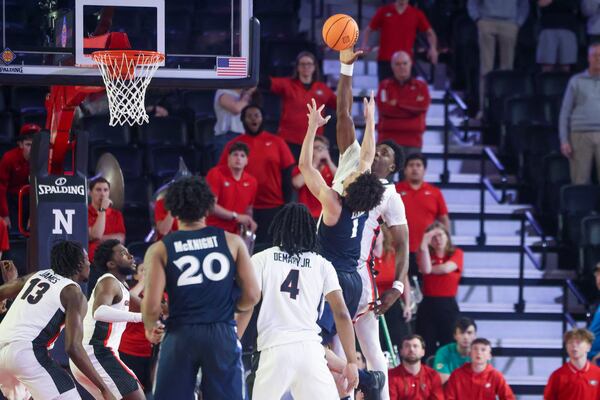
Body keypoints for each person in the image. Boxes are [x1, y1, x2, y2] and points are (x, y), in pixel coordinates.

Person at [141, 176, 260, 400]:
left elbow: (152, 305)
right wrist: (229, 310)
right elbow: (253, 295)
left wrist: (150, 326)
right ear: (207, 208)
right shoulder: (233, 242)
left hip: (180, 333)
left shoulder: (160, 249)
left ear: (174, 211)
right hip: (221, 331)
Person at [249, 203, 358, 399]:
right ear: (310, 230)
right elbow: (341, 313)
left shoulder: (261, 259)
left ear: (279, 227)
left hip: (274, 349)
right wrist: (351, 361)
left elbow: (246, 300)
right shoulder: (323, 265)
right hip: (310, 351)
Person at [0, 241, 116, 400]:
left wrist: (5, 295)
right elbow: (73, 348)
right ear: (80, 263)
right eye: (87, 259)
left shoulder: (38, 275)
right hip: (26, 353)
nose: (90, 263)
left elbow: (3, 292)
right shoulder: (73, 293)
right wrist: (104, 388)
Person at [354, 139, 410, 400]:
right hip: (331, 269)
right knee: (335, 346)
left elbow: (402, 245)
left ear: (393, 165)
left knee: (372, 349)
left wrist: (397, 288)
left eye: (384, 153)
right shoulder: (352, 178)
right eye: (375, 151)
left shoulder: (391, 196)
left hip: (360, 275)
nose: (377, 155)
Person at [71, 240, 159, 400]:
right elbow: (99, 311)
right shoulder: (109, 281)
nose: (130, 256)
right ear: (111, 263)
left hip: (98, 354)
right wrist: (139, 317)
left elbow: (150, 310)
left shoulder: (121, 285)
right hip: (97, 353)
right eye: (123, 253)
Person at [218, 105, 296, 251]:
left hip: (273, 206)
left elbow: (287, 174)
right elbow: (223, 173)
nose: (253, 119)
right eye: (249, 116)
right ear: (243, 120)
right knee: (244, 251)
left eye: (256, 115)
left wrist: (286, 204)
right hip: (243, 210)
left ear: (262, 118)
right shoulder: (234, 145)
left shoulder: (277, 142)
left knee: (272, 249)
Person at [264, 51, 336, 160]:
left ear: (314, 67)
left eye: (309, 64)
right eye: (302, 64)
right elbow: (267, 82)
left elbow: (341, 106)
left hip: (314, 141)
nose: (306, 67)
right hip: (289, 140)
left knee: (311, 174)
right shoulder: (288, 84)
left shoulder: (323, 89)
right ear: (297, 67)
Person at [467, 0, 530, 117]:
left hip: (509, 24)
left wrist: (518, 23)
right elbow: (472, 2)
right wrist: (477, 18)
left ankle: (505, 110)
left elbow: (524, 4)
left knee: (507, 72)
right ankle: (484, 109)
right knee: (486, 70)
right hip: (486, 22)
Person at [395, 153, 450, 276]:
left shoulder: (435, 193)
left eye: (418, 165)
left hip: (427, 251)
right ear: (405, 169)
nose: (415, 168)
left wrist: (445, 244)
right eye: (411, 165)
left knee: (425, 290)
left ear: (424, 170)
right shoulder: (395, 191)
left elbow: (444, 220)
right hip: (398, 249)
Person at [416, 222, 463, 358]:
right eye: (433, 237)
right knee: (426, 342)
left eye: (440, 235)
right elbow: (425, 269)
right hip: (428, 304)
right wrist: (424, 241)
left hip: (448, 305)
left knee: (448, 343)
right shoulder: (425, 254)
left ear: (447, 236)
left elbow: (446, 268)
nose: (438, 240)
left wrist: (431, 270)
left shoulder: (456, 253)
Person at [361, 0, 438, 82]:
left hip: (406, 62)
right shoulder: (383, 11)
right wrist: (363, 46)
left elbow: (430, 33)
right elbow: (368, 30)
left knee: (406, 92)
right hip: (386, 60)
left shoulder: (416, 14)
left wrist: (433, 48)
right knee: (385, 91)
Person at [375, 51, 431, 156]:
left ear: (411, 64)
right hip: (387, 141)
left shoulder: (421, 86)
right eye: (397, 64)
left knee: (411, 172)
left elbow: (422, 106)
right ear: (392, 66)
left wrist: (397, 104)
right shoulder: (384, 86)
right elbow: (384, 109)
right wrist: (411, 108)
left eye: (405, 63)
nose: (401, 67)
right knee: (383, 172)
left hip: (413, 141)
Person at [559, 43, 600, 184]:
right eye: (595, 55)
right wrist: (564, 140)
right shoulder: (576, 81)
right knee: (580, 181)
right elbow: (565, 112)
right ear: (589, 58)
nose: (598, 58)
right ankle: (581, 207)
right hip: (579, 135)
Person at [372, 223, 413, 352]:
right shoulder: (364, 258)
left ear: (384, 235)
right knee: (377, 342)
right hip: (373, 304)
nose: (375, 236)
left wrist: (407, 305)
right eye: (373, 234)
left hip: (393, 302)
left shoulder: (393, 255)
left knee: (398, 338)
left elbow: (404, 280)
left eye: (378, 233)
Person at [118, 262, 156, 394]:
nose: (148, 272)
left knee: (150, 392)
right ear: (135, 275)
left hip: (152, 353)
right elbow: (129, 298)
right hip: (129, 351)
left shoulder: (161, 294)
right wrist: (144, 281)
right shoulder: (130, 293)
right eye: (143, 270)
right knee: (132, 391)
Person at [206, 142, 258, 234]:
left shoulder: (252, 181)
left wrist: (249, 222)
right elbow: (211, 206)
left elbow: (249, 209)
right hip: (214, 230)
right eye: (235, 154)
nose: (238, 158)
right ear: (228, 158)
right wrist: (236, 216)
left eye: (242, 156)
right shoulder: (216, 173)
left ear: (247, 161)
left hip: (236, 232)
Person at [0, 123, 40, 233]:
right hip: (11, 200)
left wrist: (34, 215)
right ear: (20, 144)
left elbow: (44, 189)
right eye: (28, 145)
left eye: (35, 144)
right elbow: (1, 187)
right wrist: (4, 214)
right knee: (13, 232)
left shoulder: (44, 161)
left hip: (33, 199)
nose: (32, 149)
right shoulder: (9, 158)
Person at [445, 338, 515, 400]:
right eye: (475, 349)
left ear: (489, 356)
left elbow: (508, 397)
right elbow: (449, 397)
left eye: (483, 350)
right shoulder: (457, 375)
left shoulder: (495, 375)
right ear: (469, 354)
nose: (478, 352)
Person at [545, 328, 600, 399]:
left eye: (578, 342)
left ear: (588, 347)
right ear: (566, 347)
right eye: (570, 342)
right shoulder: (557, 375)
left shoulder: (598, 374)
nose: (574, 346)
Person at [292, 135, 337, 219]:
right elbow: (297, 183)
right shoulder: (303, 167)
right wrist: (314, 163)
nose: (320, 151)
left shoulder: (331, 168)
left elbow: (341, 182)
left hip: (327, 215)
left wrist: (329, 162)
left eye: (323, 148)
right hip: (306, 215)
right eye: (316, 148)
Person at [388, 335, 443, 400]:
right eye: (407, 346)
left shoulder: (433, 375)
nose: (411, 349)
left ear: (423, 352)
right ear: (401, 352)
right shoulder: (391, 375)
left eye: (415, 346)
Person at [213, 87, 258, 160]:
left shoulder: (245, 96)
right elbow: (236, 108)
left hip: (244, 136)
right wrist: (248, 93)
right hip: (227, 136)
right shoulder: (223, 92)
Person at [88, 177, 126, 261]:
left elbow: (121, 239)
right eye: (98, 190)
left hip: (112, 260)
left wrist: (98, 240)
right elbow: (96, 235)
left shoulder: (116, 214)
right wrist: (103, 210)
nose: (102, 194)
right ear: (90, 193)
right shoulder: (84, 213)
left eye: (105, 190)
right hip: (92, 260)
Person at [536, 0, 579, 72]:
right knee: (547, 64)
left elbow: (572, 5)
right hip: (547, 28)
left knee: (566, 65)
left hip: (568, 28)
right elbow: (541, 3)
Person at [433, 317, 476, 384]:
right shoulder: (443, 352)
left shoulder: (480, 353)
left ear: (475, 336)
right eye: (462, 333)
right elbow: (444, 382)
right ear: (455, 336)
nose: (465, 337)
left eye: (469, 333)